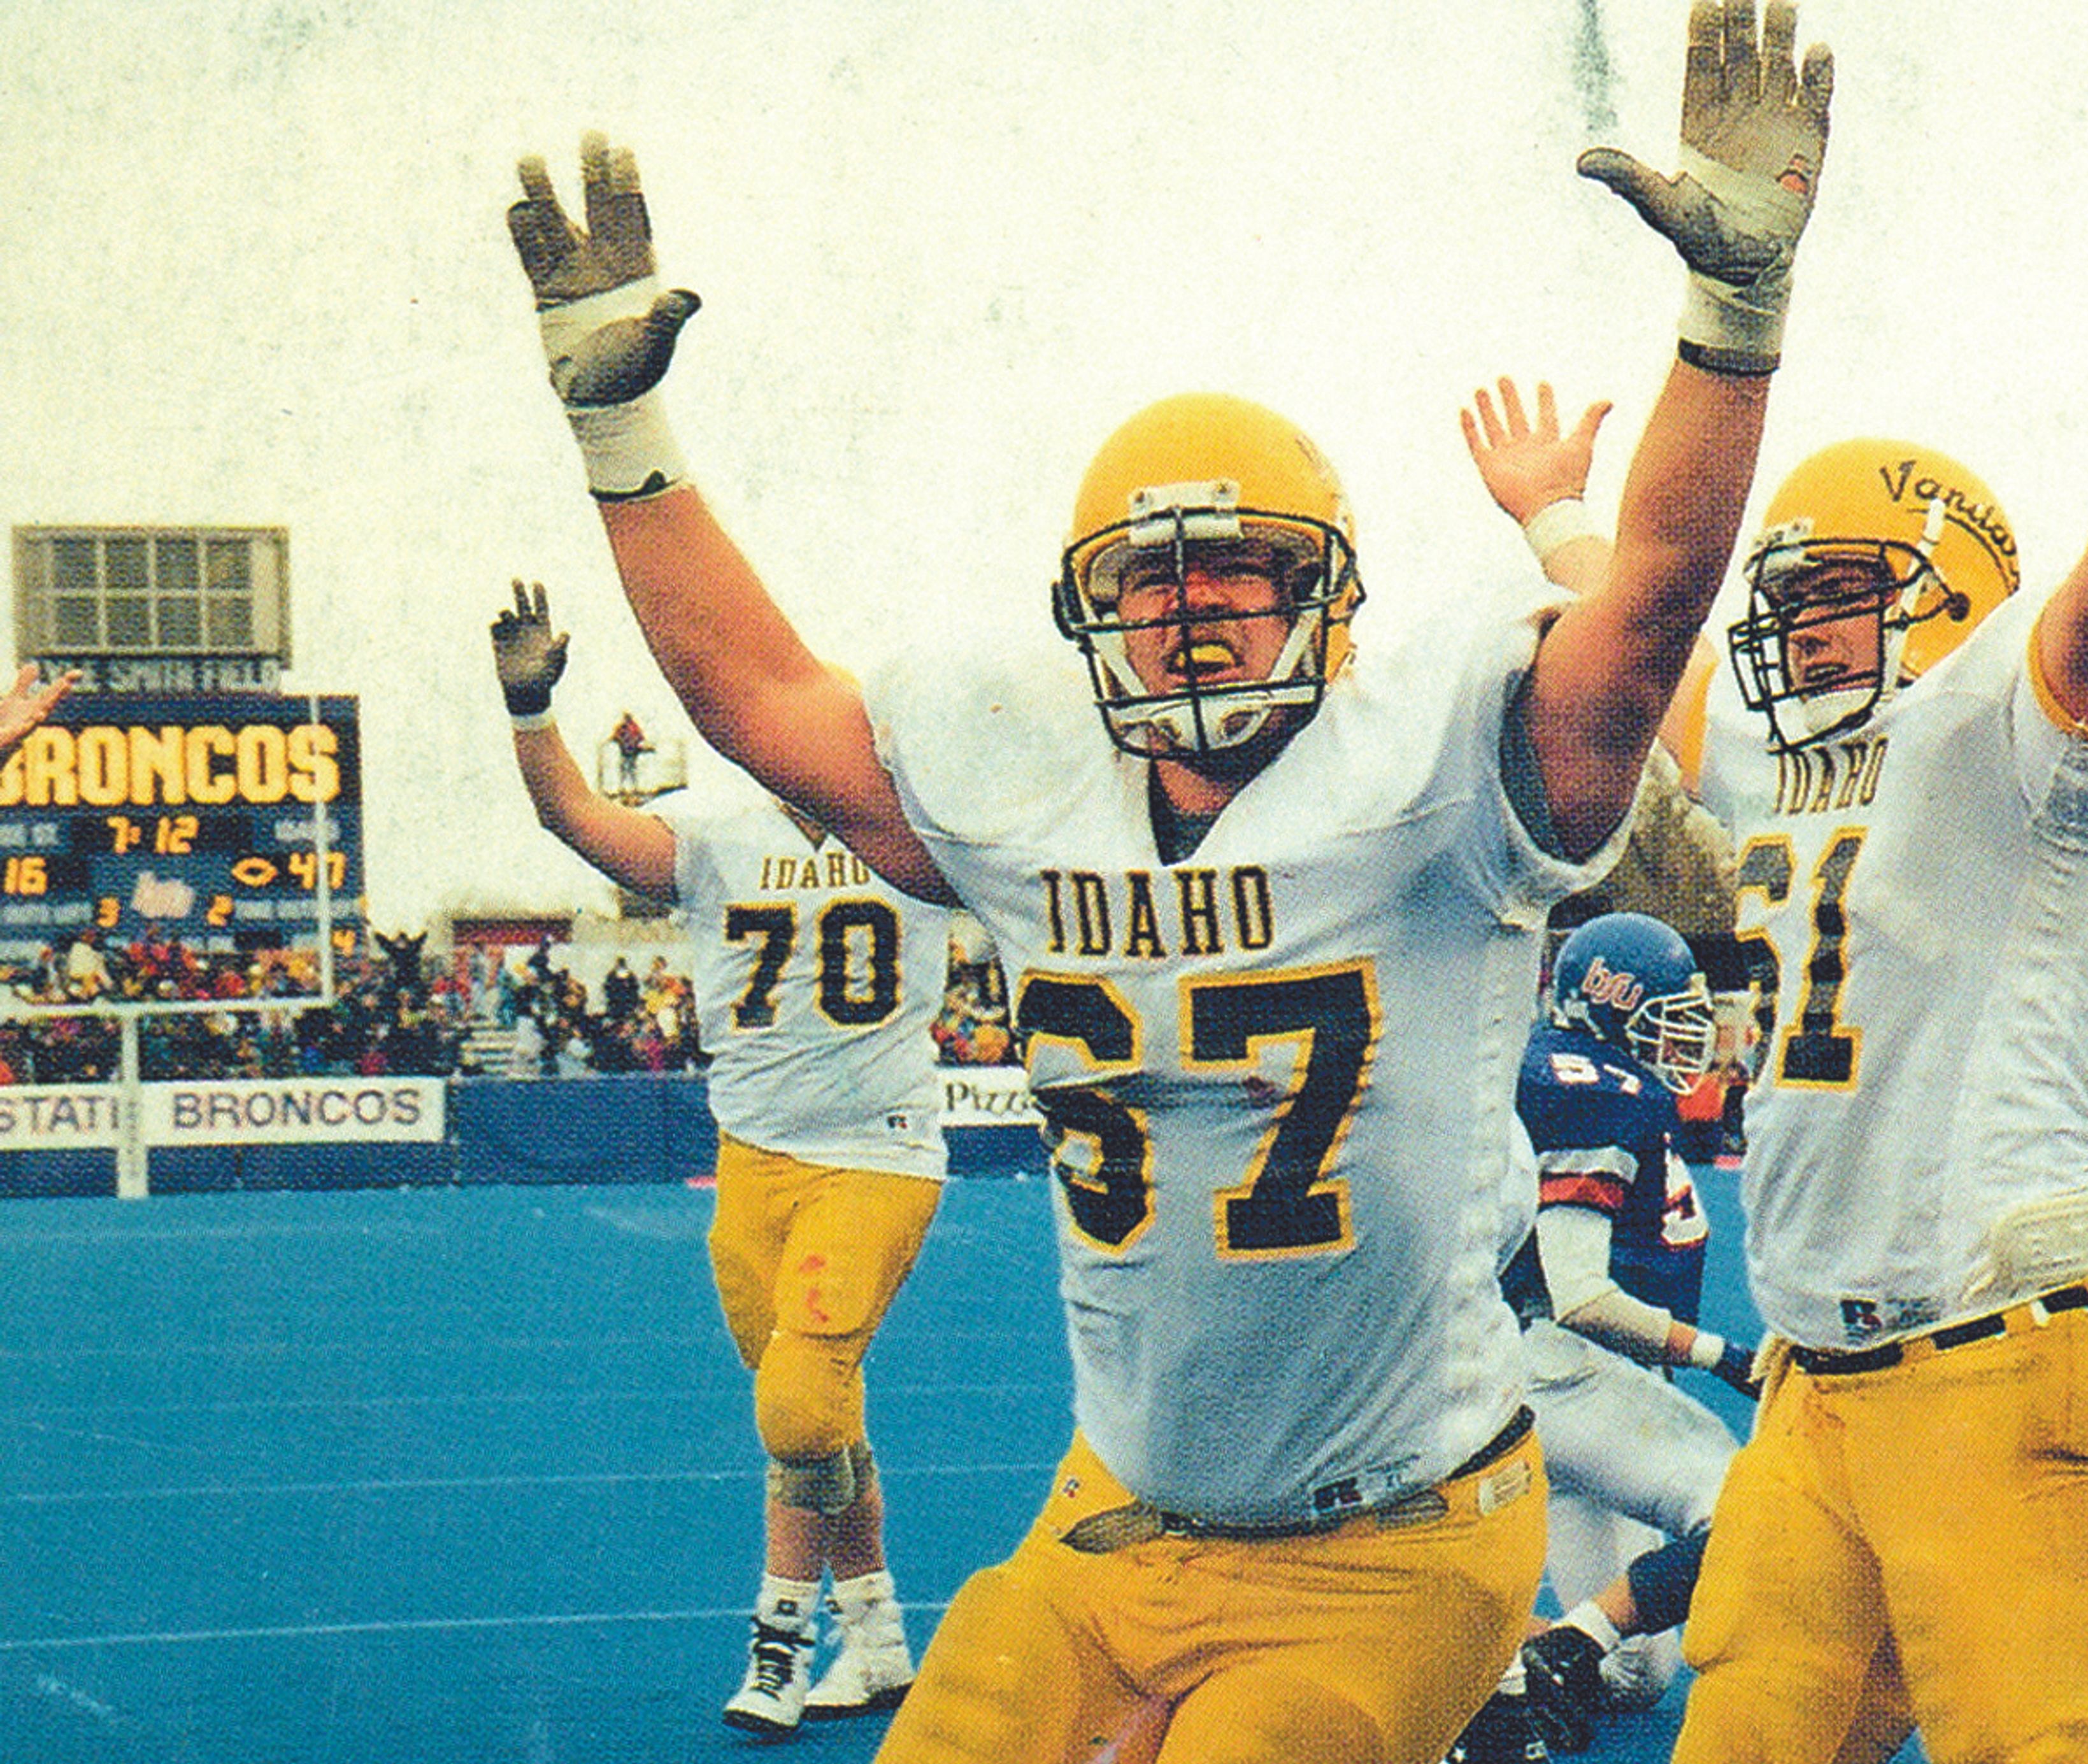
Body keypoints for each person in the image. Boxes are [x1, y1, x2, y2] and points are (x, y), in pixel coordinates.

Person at [500, 6, 1834, 1755]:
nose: (1189, 604)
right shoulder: (1023, 781)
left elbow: (1650, 601)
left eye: (1243, 572)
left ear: (1331, 601)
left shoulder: (1427, 771)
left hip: (1399, 1536)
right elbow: (750, 697)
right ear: (1088, 607)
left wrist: (1730, 327)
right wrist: (626, 433)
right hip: (1115, 1512)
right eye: (1149, 579)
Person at [1469, 148, 2088, 1762]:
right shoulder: (1790, 755)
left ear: (1949, 593)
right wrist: (1558, 516)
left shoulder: (2016, 730)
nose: (1794, 628)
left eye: (1835, 595)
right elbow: (1644, 651)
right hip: (1819, 1386)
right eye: (1790, 596)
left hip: (1999, 1359)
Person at [489, 580, 953, 1734]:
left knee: (799, 1405)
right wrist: (531, 710)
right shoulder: (718, 841)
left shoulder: (926, 833)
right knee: (816, 1413)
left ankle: (780, 1642)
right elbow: (576, 822)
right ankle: (883, 1638)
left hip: (878, 1153)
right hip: (755, 1160)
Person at [1448, 913, 1759, 1764]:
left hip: (1554, 1381)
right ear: (1610, 1006)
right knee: (1761, 1511)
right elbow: (1581, 1293)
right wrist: (1722, 1355)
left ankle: (1497, 1653)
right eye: (1669, 1017)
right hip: (1562, 1370)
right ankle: (1556, 1646)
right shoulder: (1600, 1089)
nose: (1686, 1040)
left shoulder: (1566, 1070)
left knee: (1635, 1676)